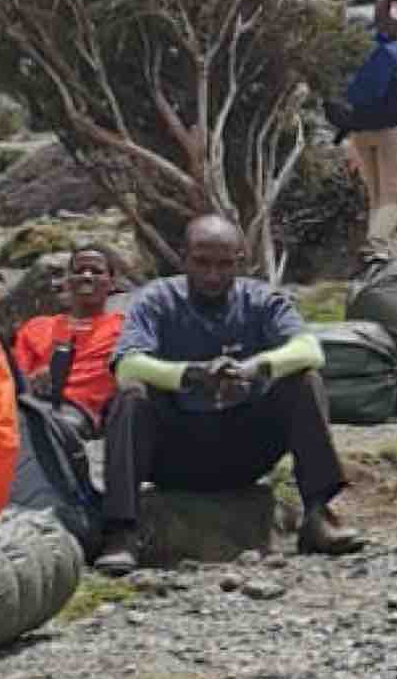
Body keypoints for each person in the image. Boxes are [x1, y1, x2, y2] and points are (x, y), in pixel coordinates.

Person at [97, 214, 363, 574]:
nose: (212, 275)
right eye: (201, 262)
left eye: (224, 265)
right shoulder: (156, 299)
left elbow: (310, 350)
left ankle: (318, 514)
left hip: (244, 450)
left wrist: (255, 368)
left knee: (304, 381)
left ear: (241, 261)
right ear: (183, 257)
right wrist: (191, 375)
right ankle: (122, 531)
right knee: (131, 396)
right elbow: (127, 364)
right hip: (174, 451)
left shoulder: (263, 301)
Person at [9, 242, 126, 425]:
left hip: (77, 412)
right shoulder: (36, 327)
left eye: (96, 271)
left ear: (112, 283)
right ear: (67, 281)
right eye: (79, 271)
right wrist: (33, 380)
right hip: (28, 403)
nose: (87, 276)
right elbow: (14, 378)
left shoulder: (124, 328)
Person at [339, 7, 397, 240]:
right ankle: (375, 249)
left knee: (376, 198)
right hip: (393, 131)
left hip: (358, 130)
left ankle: (375, 247)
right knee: (392, 197)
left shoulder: (357, 48)